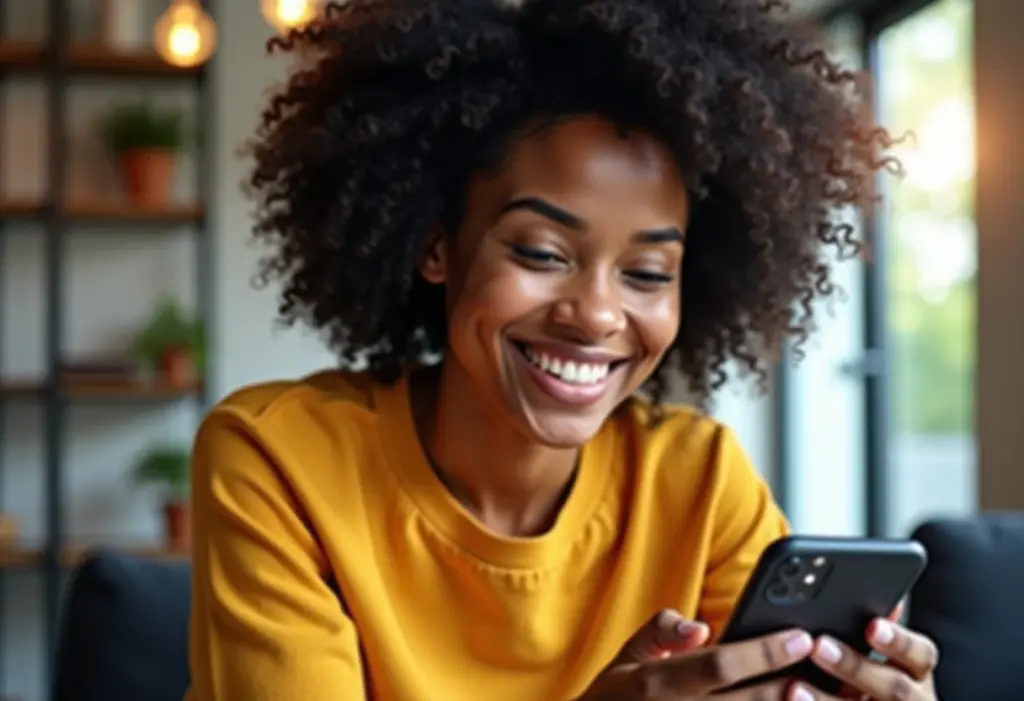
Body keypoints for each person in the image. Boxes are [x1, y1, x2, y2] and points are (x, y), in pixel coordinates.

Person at [186, 1, 940, 700]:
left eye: (647, 273)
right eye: (543, 252)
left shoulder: (700, 480)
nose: (597, 314)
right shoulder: (278, 458)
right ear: (435, 244)